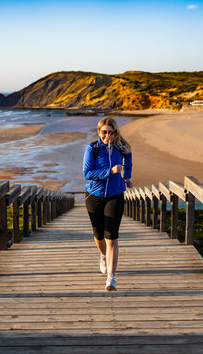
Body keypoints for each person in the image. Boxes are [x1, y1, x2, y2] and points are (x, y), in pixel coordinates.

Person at [83, 116, 133, 291]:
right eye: (104, 132)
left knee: (111, 237)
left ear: (116, 132)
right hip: (94, 196)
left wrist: (127, 177)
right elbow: (87, 173)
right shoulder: (93, 149)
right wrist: (109, 171)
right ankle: (103, 256)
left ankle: (111, 278)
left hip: (115, 195)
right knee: (99, 235)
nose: (107, 135)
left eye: (111, 132)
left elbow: (129, 160)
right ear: (99, 132)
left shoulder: (122, 147)